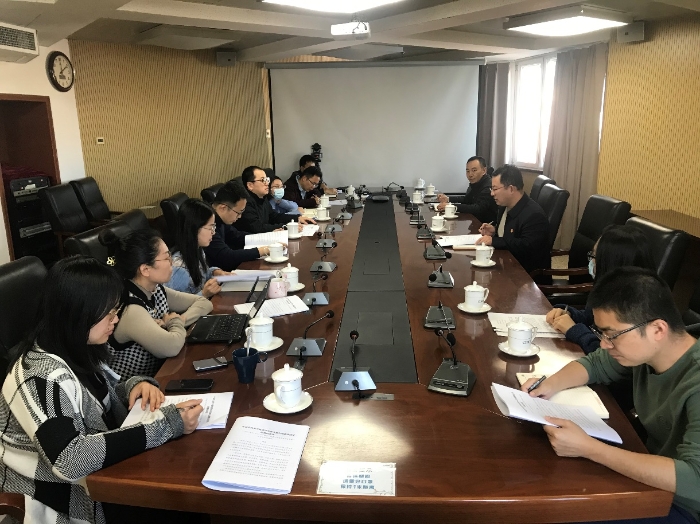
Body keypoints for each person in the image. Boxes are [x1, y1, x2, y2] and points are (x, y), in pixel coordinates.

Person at [0, 256, 204, 524]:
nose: (115, 320)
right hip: (61, 502)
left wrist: (133, 386)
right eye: (108, 314)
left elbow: (96, 399)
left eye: (116, 311)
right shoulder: (37, 376)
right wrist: (167, 424)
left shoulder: (74, 347)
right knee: (186, 504)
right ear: (78, 313)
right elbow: (70, 459)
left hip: (100, 482)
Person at [522, 267, 700, 524]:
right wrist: (548, 385)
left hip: (684, 505)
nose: (605, 344)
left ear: (658, 330)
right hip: (653, 474)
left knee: (553, 509)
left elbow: (695, 480)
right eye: (602, 334)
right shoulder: (647, 353)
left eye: (612, 335)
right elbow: (595, 364)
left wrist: (590, 448)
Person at [101, 229, 212, 378]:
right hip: (134, 387)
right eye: (166, 258)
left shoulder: (155, 289)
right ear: (145, 269)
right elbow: (171, 347)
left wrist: (178, 320)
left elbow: (204, 302)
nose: (172, 262)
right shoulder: (131, 309)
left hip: (161, 373)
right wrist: (174, 323)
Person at [546, 225, 656, 354]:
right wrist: (569, 313)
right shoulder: (609, 288)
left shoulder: (636, 309)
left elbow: (610, 356)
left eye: (594, 257)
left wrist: (574, 330)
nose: (591, 262)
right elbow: (591, 317)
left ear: (610, 264)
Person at [475, 164, 550, 274]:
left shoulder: (534, 215)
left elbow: (526, 246)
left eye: (495, 189)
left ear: (511, 189)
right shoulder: (504, 205)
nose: (492, 193)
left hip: (526, 276)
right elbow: (512, 231)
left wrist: (494, 241)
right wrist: (495, 230)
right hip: (506, 264)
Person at [167, 198, 234, 297]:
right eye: (210, 227)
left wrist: (215, 272)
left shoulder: (197, 250)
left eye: (214, 227)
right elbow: (176, 305)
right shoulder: (178, 269)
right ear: (194, 228)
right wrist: (204, 294)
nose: (213, 232)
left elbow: (202, 274)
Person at [203, 181, 271, 271]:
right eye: (238, 212)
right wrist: (262, 251)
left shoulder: (220, 218)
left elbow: (237, 236)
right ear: (223, 208)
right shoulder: (206, 224)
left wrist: (267, 237)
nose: (240, 217)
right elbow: (226, 256)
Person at [236, 166, 316, 233]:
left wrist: (297, 218)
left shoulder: (262, 198)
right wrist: (285, 227)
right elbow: (258, 228)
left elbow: (274, 217)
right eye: (262, 180)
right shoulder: (245, 203)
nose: (267, 183)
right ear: (250, 185)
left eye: (267, 180)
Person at [436, 156, 497, 223]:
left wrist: (451, 207)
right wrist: (448, 199)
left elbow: (478, 208)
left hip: (485, 224)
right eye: (468, 171)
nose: (470, 174)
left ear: (484, 171)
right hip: (474, 221)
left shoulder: (488, 186)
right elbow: (467, 199)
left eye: (474, 170)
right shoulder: (475, 183)